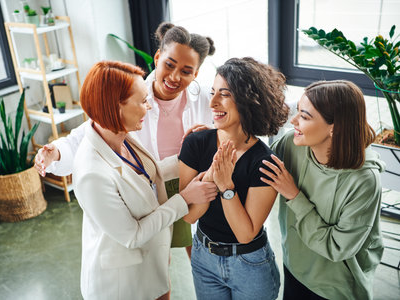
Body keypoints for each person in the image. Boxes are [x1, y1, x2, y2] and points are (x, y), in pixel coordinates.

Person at [34, 22, 216, 256]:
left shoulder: (202, 96)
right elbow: (91, 131)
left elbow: (229, 128)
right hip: (145, 188)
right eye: (169, 65)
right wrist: (56, 152)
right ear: (158, 57)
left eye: (186, 71)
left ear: (196, 73)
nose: (174, 77)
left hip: (186, 180)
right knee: (158, 255)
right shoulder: (134, 92)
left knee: (196, 250)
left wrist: (210, 131)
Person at [73, 61, 217, 300]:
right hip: (122, 284)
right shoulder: (92, 174)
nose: (149, 106)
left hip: (150, 264)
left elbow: (144, 175)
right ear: (116, 107)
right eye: (142, 101)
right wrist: (185, 198)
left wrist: (185, 155)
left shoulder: (121, 136)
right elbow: (133, 235)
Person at [260, 80, 385, 299]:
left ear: (334, 128)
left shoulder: (364, 180)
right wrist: (210, 139)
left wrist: (294, 195)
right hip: (294, 267)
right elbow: (253, 166)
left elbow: (337, 247)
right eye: (297, 111)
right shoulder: (291, 143)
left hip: (334, 288)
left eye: (305, 117)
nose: (293, 121)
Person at [178, 57, 289, 300]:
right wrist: (211, 174)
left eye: (224, 94)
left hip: (250, 265)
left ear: (248, 101)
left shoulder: (265, 162)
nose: (213, 102)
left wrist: (226, 186)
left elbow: (245, 233)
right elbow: (189, 215)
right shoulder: (195, 143)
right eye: (213, 92)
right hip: (204, 259)